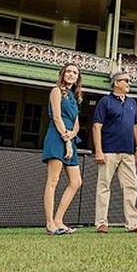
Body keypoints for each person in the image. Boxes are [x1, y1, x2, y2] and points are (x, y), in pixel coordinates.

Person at [91, 71, 137, 234]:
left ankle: (133, 223)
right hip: (109, 151)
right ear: (116, 83)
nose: (129, 83)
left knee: (131, 186)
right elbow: (97, 126)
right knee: (104, 186)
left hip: (128, 152)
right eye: (126, 81)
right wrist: (99, 150)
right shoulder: (105, 101)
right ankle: (101, 223)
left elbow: (136, 126)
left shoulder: (132, 102)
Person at [41, 63, 83, 235]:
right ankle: (50, 223)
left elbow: (77, 123)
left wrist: (72, 136)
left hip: (70, 139)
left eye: (75, 72)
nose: (71, 74)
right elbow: (57, 116)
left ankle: (59, 220)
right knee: (53, 180)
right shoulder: (56, 91)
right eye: (69, 71)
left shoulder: (74, 96)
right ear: (63, 74)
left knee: (76, 182)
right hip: (57, 136)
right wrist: (66, 139)